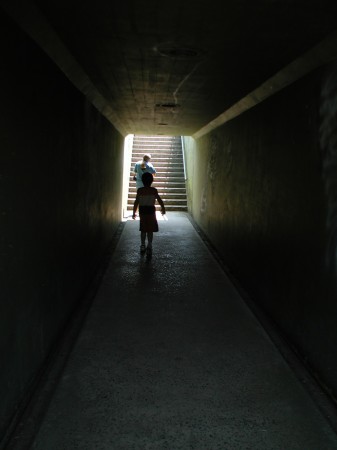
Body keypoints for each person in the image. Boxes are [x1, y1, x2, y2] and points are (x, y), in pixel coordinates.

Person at [132, 172, 165, 257]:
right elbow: (160, 200)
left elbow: (136, 202)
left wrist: (134, 212)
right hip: (151, 211)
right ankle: (149, 245)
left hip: (142, 211)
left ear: (142, 181)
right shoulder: (154, 190)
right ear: (152, 181)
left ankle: (143, 245)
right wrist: (163, 208)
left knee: (143, 229)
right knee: (150, 230)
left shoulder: (140, 190)